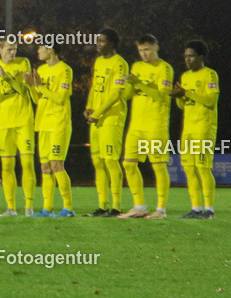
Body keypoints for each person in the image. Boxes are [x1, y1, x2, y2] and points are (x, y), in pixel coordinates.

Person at [118, 35, 174, 219]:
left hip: (155, 124)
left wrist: (139, 84)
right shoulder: (136, 67)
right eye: (141, 50)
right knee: (128, 163)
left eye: (147, 49)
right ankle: (139, 206)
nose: (144, 54)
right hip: (136, 125)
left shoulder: (165, 68)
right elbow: (127, 95)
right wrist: (127, 84)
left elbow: (161, 97)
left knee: (158, 166)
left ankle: (161, 209)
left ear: (156, 47)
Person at [0, 40, 36, 216]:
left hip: (23, 120)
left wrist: (5, 76)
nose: (12, 53)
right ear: (0, 50)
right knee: (7, 166)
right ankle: (11, 207)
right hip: (4, 122)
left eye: (14, 49)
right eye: (9, 49)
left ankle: (29, 206)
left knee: (27, 163)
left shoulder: (23, 63)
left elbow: (23, 90)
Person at [26, 44, 75, 218]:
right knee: (45, 167)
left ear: (50, 49)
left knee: (56, 164)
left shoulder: (65, 70)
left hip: (58, 122)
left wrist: (40, 87)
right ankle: (47, 209)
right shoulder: (41, 69)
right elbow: (37, 99)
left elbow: (61, 98)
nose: (38, 51)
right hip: (43, 122)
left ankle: (68, 208)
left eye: (41, 48)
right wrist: (31, 86)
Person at [172, 40, 219, 219]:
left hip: (204, 128)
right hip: (189, 129)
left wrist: (186, 93)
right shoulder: (185, 76)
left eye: (191, 56)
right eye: (186, 56)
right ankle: (196, 208)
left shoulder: (210, 75)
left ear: (201, 57)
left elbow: (210, 101)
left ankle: (209, 210)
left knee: (203, 167)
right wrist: (178, 96)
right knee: (189, 168)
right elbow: (182, 106)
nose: (187, 59)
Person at [84, 28, 129, 216]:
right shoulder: (99, 61)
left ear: (111, 43)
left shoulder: (120, 63)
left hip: (111, 118)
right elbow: (95, 86)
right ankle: (102, 205)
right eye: (98, 41)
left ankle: (116, 206)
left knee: (111, 160)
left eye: (102, 41)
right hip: (96, 119)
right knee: (98, 162)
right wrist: (89, 107)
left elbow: (116, 93)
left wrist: (99, 112)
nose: (98, 44)